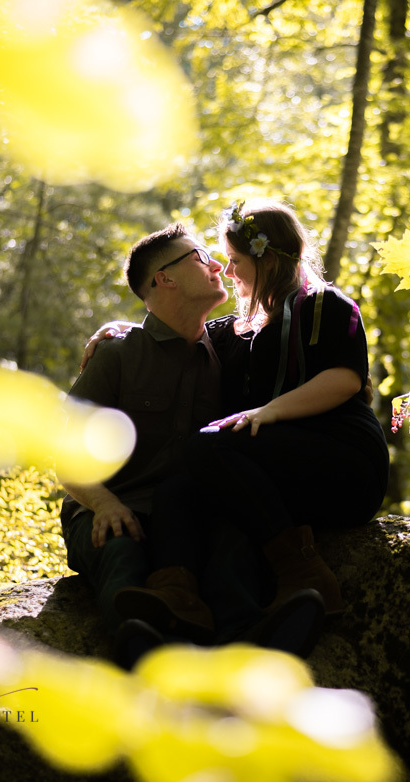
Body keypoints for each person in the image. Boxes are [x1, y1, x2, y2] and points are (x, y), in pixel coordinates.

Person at [113, 199, 389, 625]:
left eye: (235, 259)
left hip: (343, 461)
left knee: (207, 448)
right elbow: (172, 328)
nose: (228, 270)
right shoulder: (235, 330)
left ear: (269, 260)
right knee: (176, 488)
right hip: (275, 476)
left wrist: (270, 411)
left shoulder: (327, 307)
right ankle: (178, 598)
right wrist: (118, 333)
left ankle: (307, 576)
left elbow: (345, 378)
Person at [62, 223, 319, 668]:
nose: (219, 265)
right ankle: (142, 652)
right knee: (123, 548)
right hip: (114, 506)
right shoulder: (117, 354)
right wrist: (103, 503)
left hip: (189, 513)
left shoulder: (227, 348)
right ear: (165, 278)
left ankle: (253, 642)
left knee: (232, 542)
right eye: (201, 257)